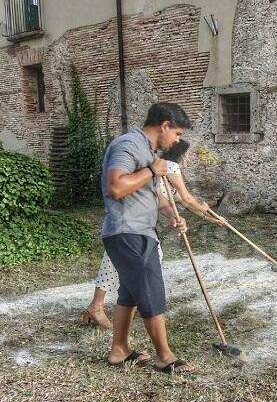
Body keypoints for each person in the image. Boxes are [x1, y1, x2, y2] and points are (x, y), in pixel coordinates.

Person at [99, 102, 195, 374]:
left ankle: (119, 351)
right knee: (151, 289)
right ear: (165, 125)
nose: (177, 140)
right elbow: (116, 186)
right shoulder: (128, 145)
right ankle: (164, 357)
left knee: (130, 293)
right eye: (177, 134)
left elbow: (152, 195)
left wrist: (171, 214)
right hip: (128, 231)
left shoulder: (150, 152)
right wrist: (153, 170)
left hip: (139, 230)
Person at [82, 156, 225, 330]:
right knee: (131, 258)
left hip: (139, 221)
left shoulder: (164, 171)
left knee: (124, 258)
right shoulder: (170, 166)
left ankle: (110, 306)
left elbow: (173, 200)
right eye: (185, 151)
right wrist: (207, 216)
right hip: (131, 219)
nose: (188, 156)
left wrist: (210, 217)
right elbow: (187, 199)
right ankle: (105, 307)